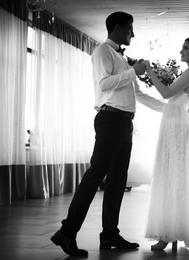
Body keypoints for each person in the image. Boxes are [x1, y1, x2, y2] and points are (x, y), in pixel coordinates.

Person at [50, 11, 146, 256]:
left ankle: (110, 234)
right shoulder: (102, 51)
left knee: (117, 180)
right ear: (116, 28)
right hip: (110, 119)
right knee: (95, 176)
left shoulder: (120, 57)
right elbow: (104, 84)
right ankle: (67, 232)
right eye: (128, 30)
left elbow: (137, 93)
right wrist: (134, 71)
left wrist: (171, 109)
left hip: (124, 123)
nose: (132, 34)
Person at [136, 35, 189, 250]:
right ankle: (188, 232)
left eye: (185, 48)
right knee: (181, 177)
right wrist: (176, 114)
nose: (181, 51)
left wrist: (149, 70)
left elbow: (166, 93)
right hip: (182, 124)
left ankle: (168, 234)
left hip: (174, 126)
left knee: (170, 176)